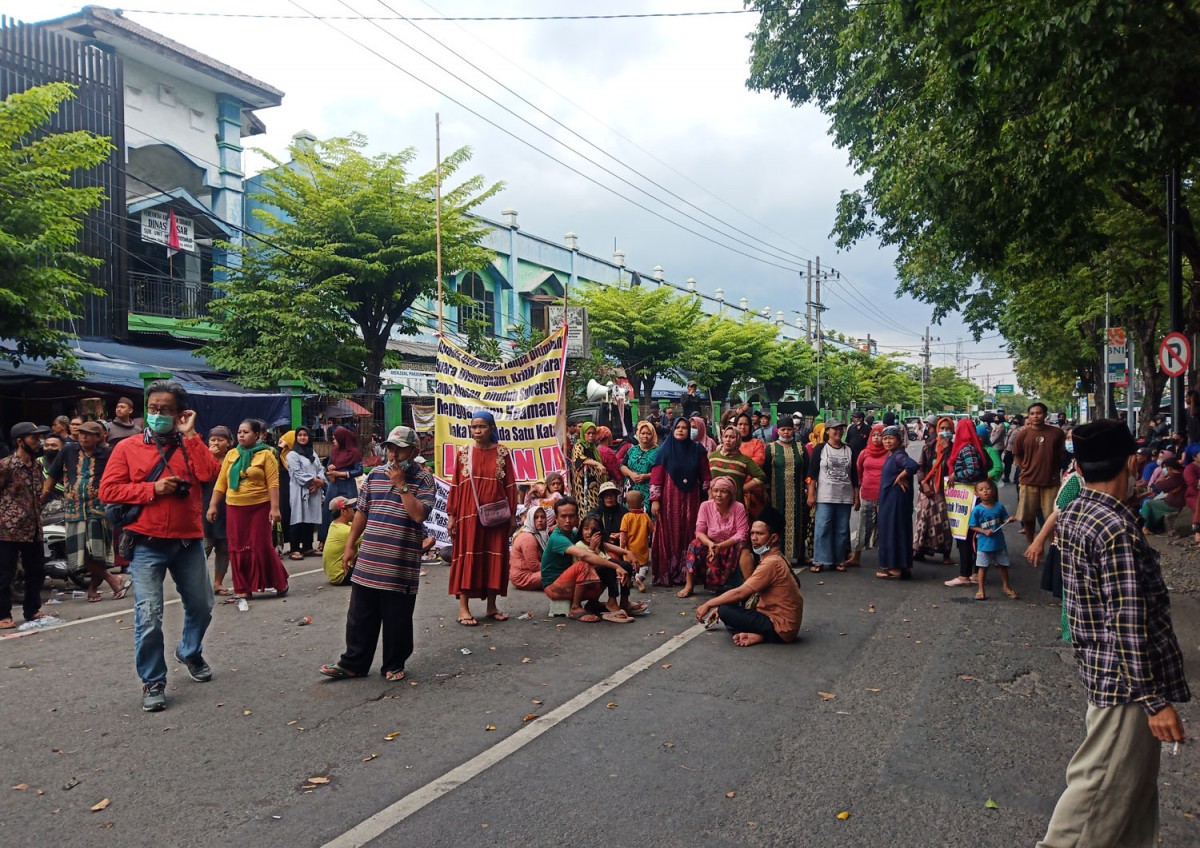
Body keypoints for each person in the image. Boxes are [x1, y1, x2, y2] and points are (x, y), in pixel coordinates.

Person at [1036, 420, 1190, 848]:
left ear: (1079, 468)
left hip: (1103, 671)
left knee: (1132, 794)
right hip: (1127, 687)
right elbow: (1127, 623)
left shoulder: (1078, 512)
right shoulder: (1116, 529)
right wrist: (1154, 702)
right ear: (1130, 461)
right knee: (1096, 797)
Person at [97, 381, 221, 711]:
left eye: (166, 409)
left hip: (187, 542)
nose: (158, 414)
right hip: (146, 543)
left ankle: (190, 651)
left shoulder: (189, 445)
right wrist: (154, 489)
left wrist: (191, 435)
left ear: (180, 413)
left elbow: (211, 473)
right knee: (148, 615)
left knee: (202, 605)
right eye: (153, 408)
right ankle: (153, 679)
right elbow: (108, 491)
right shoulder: (127, 448)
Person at [320, 426, 435, 681]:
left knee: (397, 617)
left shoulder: (424, 479)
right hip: (370, 556)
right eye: (390, 448)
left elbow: (418, 514)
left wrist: (402, 486)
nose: (393, 455)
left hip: (400, 561)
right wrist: (350, 545)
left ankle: (394, 664)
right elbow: (362, 512)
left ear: (414, 451)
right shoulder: (375, 476)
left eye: (400, 449)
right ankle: (353, 663)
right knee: (360, 615)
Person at [42, 420, 127, 602]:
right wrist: (40, 498)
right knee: (80, 551)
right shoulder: (68, 450)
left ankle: (93, 588)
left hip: (98, 508)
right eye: (81, 433)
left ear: (100, 436)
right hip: (74, 509)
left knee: (97, 552)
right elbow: (52, 475)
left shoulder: (109, 454)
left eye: (88, 434)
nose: (83, 437)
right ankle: (112, 579)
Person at [447, 411, 518, 626]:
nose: (477, 431)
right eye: (474, 427)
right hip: (468, 516)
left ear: (492, 428)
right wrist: (451, 515)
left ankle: (492, 606)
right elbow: (456, 486)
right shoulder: (463, 453)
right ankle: (464, 608)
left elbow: (510, 486)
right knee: (469, 557)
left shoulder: (502, 453)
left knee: (494, 558)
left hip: (496, 516)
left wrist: (513, 516)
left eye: (482, 426)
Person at [207, 419, 290, 601]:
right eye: (239, 432)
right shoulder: (231, 455)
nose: (241, 435)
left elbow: (273, 483)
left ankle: (279, 580)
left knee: (261, 545)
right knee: (237, 547)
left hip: (260, 506)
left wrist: (275, 508)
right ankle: (243, 587)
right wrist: (213, 505)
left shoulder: (266, 455)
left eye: (246, 432)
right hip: (234, 507)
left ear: (257, 435)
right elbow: (221, 482)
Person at [694, 516, 803, 647]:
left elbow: (740, 593)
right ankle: (759, 635)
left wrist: (708, 604)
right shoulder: (777, 557)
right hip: (785, 624)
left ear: (773, 538)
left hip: (781, 627)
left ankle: (763, 635)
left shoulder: (772, 563)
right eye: (752, 533)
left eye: (759, 534)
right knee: (730, 605)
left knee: (725, 610)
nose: (754, 538)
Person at [0, 422, 53, 631]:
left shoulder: (37, 465)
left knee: (36, 571)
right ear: (20, 441)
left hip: (33, 528)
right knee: (5, 574)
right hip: (7, 530)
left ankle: (32, 610)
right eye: (33, 438)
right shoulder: (6, 465)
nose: (38, 441)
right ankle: (3, 614)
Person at [650, 417, 711, 587]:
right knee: (671, 531)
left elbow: (705, 474)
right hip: (669, 499)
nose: (681, 430)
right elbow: (656, 477)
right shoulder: (664, 450)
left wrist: (708, 494)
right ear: (673, 429)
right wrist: (655, 499)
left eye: (685, 428)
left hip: (692, 498)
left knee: (691, 531)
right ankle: (671, 571)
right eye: (678, 427)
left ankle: (690, 573)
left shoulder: (697, 449)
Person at [540, 497, 618, 622]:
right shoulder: (557, 538)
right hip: (554, 587)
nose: (567, 521)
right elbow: (585, 555)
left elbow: (599, 542)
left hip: (570, 583)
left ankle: (594, 603)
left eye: (571, 516)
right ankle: (575, 607)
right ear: (556, 519)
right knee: (583, 564)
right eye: (563, 516)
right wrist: (616, 567)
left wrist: (625, 552)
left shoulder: (573, 533)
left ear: (577, 517)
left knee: (610, 560)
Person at [679, 475, 748, 598]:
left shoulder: (739, 507)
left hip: (730, 544)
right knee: (694, 545)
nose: (718, 495)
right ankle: (689, 585)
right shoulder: (705, 506)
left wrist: (721, 546)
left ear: (731, 494)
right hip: (711, 544)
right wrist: (711, 544)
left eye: (723, 491)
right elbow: (699, 532)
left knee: (744, 548)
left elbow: (742, 533)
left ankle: (750, 587)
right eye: (715, 491)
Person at [807, 419, 860, 573]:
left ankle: (839, 560)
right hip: (824, 496)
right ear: (828, 431)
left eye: (840, 429)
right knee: (823, 528)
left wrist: (857, 497)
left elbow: (854, 476)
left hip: (845, 497)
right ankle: (820, 560)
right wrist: (811, 494)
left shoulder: (849, 450)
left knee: (842, 530)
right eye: (834, 429)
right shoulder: (820, 449)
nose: (838, 432)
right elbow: (813, 473)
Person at [1012, 402, 1067, 547]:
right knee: (1028, 517)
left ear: (1045, 415)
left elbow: (1062, 454)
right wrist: (1023, 468)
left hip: (1051, 482)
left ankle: (1053, 547)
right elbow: (1017, 454)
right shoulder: (1022, 433)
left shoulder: (1057, 433)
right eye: (1032, 414)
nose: (1035, 416)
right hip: (1028, 481)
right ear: (1029, 416)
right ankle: (1031, 544)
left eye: (1039, 413)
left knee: (1052, 517)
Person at [946, 416, 991, 585]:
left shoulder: (966, 449)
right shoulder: (976, 448)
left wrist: (956, 475)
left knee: (965, 537)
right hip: (973, 498)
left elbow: (972, 470)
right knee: (972, 537)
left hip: (968, 499)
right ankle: (974, 572)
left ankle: (965, 575)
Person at [874, 426, 920, 579]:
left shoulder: (899, 455)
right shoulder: (892, 455)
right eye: (885, 438)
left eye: (891, 438)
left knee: (893, 531)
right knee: (897, 531)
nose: (887, 441)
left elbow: (913, 465)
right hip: (891, 500)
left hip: (895, 501)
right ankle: (903, 565)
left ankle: (895, 568)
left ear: (899, 440)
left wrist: (900, 476)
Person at [761, 416, 807, 564]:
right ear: (778, 431)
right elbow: (765, 472)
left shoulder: (800, 447)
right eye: (783, 429)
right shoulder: (771, 448)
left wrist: (808, 487)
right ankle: (777, 555)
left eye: (789, 429)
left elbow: (807, 470)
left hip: (798, 493)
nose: (786, 432)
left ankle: (799, 554)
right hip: (776, 494)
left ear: (793, 430)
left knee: (799, 522)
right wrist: (765, 491)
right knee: (777, 523)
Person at [914, 417, 955, 565]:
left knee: (943, 523)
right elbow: (920, 467)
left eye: (948, 428)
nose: (944, 431)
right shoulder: (929, 447)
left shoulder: (955, 450)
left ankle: (946, 553)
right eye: (942, 428)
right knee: (923, 520)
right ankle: (919, 551)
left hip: (945, 491)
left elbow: (955, 467)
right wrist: (923, 484)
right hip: (927, 489)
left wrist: (947, 450)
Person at [968, 479, 1019, 600]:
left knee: (1003, 565)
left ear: (993, 491)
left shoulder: (999, 506)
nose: (985, 491)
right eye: (981, 490)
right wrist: (984, 531)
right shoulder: (977, 510)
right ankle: (981, 589)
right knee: (983, 567)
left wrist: (1008, 520)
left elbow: (1004, 519)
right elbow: (972, 526)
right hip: (984, 545)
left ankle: (1006, 586)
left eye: (987, 488)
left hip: (999, 543)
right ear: (976, 494)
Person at [847, 423, 887, 568]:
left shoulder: (890, 453)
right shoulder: (865, 453)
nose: (877, 438)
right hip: (867, 494)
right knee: (863, 525)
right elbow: (858, 472)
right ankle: (856, 556)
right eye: (874, 435)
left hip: (884, 496)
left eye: (880, 435)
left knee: (884, 527)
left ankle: (886, 559)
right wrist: (857, 495)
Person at [284, 426, 327, 560]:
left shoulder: (312, 453)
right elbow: (297, 473)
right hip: (299, 490)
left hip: (313, 490)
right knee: (298, 517)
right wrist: (314, 482)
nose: (302, 437)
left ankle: (308, 546)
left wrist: (319, 481)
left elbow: (320, 468)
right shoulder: (292, 455)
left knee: (310, 517)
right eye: (300, 435)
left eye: (305, 435)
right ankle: (295, 548)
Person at [320, 427, 364, 548]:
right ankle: (325, 540)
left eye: (335, 439)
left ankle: (352, 540)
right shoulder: (334, 451)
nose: (333, 441)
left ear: (342, 439)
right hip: (334, 485)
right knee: (328, 510)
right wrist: (331, 468)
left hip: (347, 486)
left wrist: (341, 474)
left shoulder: (354, 452)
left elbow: (359, 470)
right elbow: (329, 464)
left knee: (349, 510)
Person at [202, 427, 233, 595]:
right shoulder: (202, 458)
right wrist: (207, 456)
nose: (216, 443)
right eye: (213, 439)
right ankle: (197, 584)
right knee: (203, 549)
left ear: (228, 443)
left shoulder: (233, 459)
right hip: (206, 507)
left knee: (224, 548)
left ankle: (218, 583)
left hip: (228, 508)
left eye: (220, 440)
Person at [708, 425, 766, 500]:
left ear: (738, 440)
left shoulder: (744, 460)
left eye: (732, 437)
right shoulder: (712, 457)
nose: (728, 440)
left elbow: (761, 476)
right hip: (715, 502)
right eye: (726, 436)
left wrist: (743, 488)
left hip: (736, 503)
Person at [569, 421, 608, 516]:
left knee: (596, 511)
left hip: (595, 486)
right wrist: (597, 464)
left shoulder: (593, 448)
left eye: (593, 433)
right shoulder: (578, 445)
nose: (591, 435)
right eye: (588, 433)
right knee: (587, 512)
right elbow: (579, 458)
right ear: (583, 433)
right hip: (584, 486)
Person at [1140, 458, 1185, 535]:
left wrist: (1160, 481)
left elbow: (1161, 486)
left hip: (1173, 504)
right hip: (1172, 502)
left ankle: (1145, 527)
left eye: (1165, 468)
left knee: (1147, 503)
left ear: (1169, 468)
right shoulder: (1178, 475)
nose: (1164, 470)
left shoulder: (1176, 476)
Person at [620, 489, 653, 591]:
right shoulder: (645, 516)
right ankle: (639, 578)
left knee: (629, 566)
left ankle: (629, 580)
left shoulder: (626, 517)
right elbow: (652, 530)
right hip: (642, 549)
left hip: (629, 550)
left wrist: (622, 547)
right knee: (643, 567)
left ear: (627, 505)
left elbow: (623, 534)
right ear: (642, 503)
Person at [510, 505, 548, 591]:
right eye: (535, 517)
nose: (540, 520)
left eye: (542, 517)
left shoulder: (538, 534)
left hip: (529, 574)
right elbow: (534, 566)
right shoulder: (528, 538)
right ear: (530, 519)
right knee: (557, 574)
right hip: (523, 577)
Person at [322, 496, 358, 585]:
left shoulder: (334, 524)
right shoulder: (344, 531)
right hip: (342, 575)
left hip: (334, 574)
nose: (354, 508)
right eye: (350, 506)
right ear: (343, 511)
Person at [620, 421, 659, 504]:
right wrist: (631, 474)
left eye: (648, 433)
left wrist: (646, 476)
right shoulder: (633, 449)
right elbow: (622, 465)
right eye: (643, 433)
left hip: (647, 491)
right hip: (630, 489)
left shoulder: (658, 452)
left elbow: (662, 472)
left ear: (653, 435)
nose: (645, 436)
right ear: (638, 434)